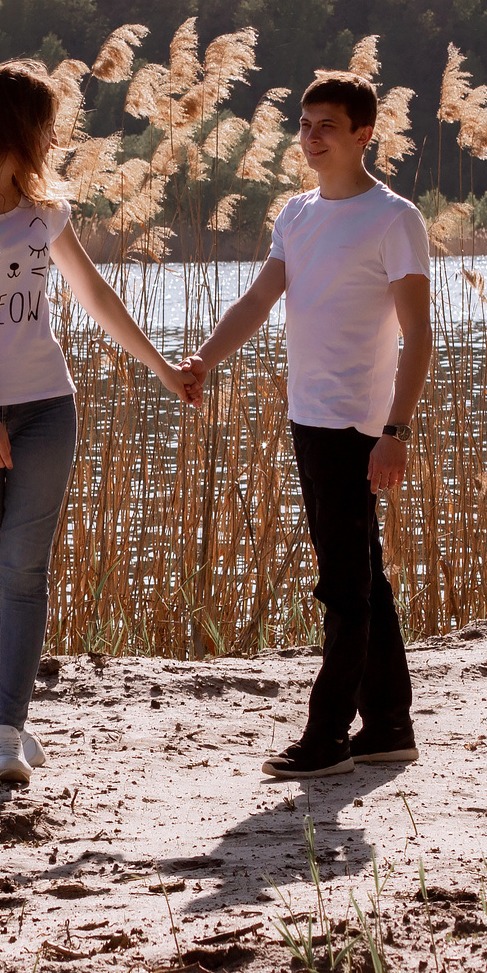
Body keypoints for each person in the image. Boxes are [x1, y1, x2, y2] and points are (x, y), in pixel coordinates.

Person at [0, 62, 201, 785]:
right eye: (48, 124)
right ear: (19, 125)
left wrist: (164, 370)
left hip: (46, 407)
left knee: (23, 567)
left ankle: (6, 726)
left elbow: (95, 296)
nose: (54, 137)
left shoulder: (45, 209)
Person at [180, 73, 433, 778]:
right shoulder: (296, 214)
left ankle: (327, 737)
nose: (311, 136)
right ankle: (388, 726)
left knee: (344, 586)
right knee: (363, 573)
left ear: (363, 135)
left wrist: (396, 431)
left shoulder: (394, 218)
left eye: (327, 125)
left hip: (360, 426)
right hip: (308, 417)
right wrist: (204, 359)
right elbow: (258, 301)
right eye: (305, 123)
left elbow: (419, 335)